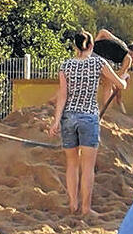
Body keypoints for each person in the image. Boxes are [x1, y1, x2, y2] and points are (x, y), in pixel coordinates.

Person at [48, 30, 127, 217]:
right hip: (89, 117)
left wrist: (56, 121)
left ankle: (73, 204)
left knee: (72, 164)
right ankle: (85, 208)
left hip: (68, 117)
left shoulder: (65, 65)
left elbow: (63, 95)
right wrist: (124, 79)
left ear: (75, 47)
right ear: (92, 45)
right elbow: (119, 85)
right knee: (88, 167)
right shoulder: (99, 62)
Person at [93, 29, 133, 114]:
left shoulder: (121, 44)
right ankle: (107, 112)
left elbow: (102, 32)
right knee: (108, 84)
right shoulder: (128, 58)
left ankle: (104, 110)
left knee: (106, 82)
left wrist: (94, 45)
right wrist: (119, 100)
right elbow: (117, 81)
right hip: (101, 58)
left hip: (91, 54)